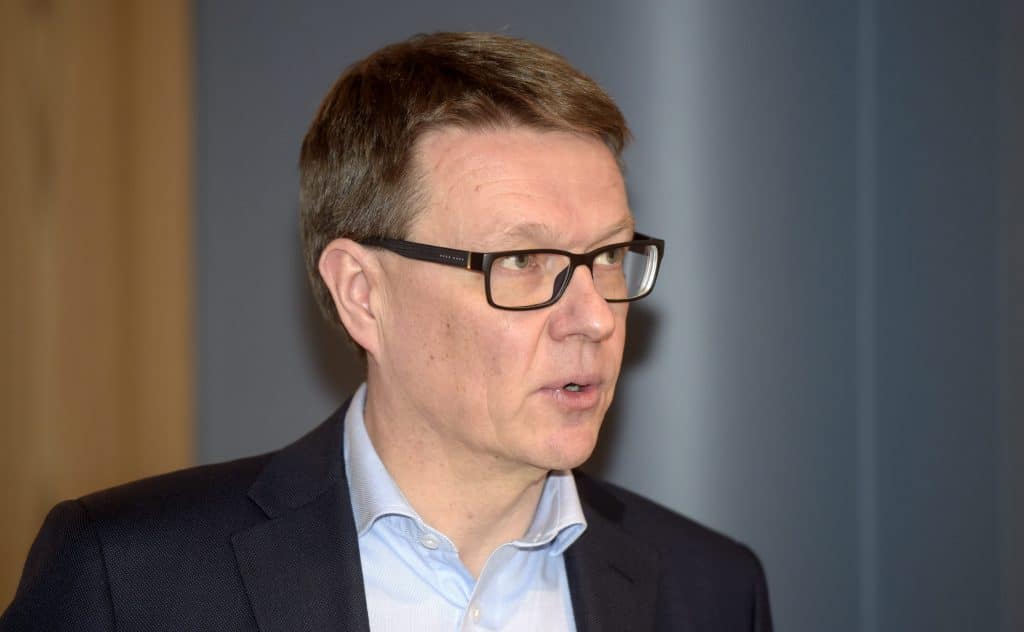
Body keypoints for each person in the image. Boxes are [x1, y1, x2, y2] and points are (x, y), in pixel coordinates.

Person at [2, 32, 772, 631]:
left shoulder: (711, 589)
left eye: (607, 256)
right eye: (522, 261)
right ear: (362, 295)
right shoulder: (129, 579)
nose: (596, 317)